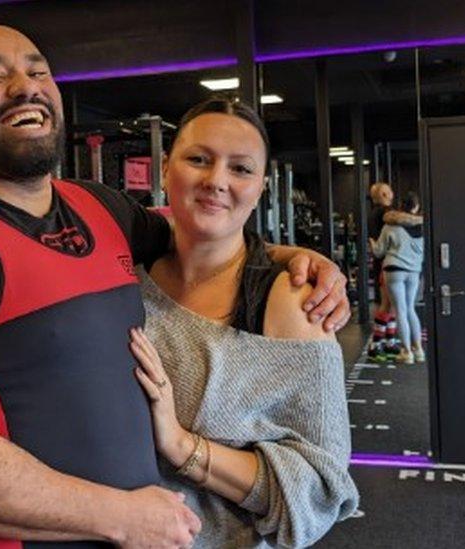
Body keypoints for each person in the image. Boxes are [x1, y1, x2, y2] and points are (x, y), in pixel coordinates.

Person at [0, 26, 350, 548]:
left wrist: (299, 259)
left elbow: (202, 233)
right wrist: (124, 517)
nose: (23, 86)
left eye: (38, 71)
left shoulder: (101, 210)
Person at [127, 98, 359, 548]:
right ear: (163, 170)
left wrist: (181, 447)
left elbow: (322, 489)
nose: (216, 181)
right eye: (198, 159)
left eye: (240, 169)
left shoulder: (291, 300)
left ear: (261, 188)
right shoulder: (126, 271)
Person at [367, 182, 421, 361]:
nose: (391, 193)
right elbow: (400, 220)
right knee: (394, 307)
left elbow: (377, 247)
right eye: (388, 191)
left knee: (394, 308)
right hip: (396, 267)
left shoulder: (378, 216)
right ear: (383, 195)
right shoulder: (386, 215)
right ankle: (379, 345)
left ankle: (390, 343)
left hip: (390, 267)